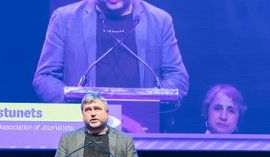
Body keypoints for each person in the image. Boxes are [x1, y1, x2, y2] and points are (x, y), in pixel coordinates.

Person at [33, 0, 189, 104]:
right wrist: (79, 106)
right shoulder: (65, 19)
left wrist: (151, 102)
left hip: (143, 129)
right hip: (83, 131)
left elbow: (178, 77)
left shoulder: (160, 20)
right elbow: (44, 78)